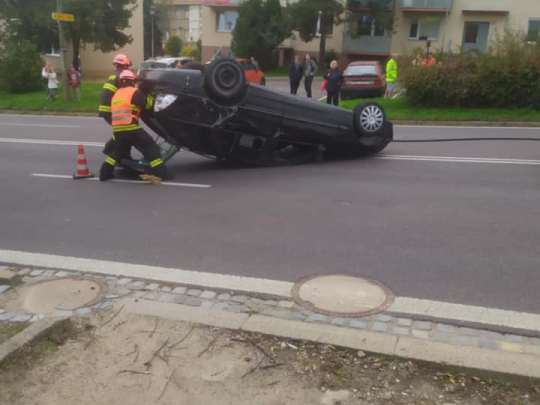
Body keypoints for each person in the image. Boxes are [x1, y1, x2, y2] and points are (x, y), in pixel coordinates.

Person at [99, 70, 166, 182]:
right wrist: (151, 94)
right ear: (132, 81)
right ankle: (161, 173)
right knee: (150, 147)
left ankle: (104, 174)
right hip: (131, 128)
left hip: (118, 129)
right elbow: (147, 105)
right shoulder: (133, 92)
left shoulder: (116, 94)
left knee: (119, 151)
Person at [99, 54, 133, 155]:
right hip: (112, 109)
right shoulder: (123, 76)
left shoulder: (114, 75)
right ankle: (117, 153)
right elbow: (129, 91)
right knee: (126, 131)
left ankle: (111, 150)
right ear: (126, 65)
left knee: (122, 131)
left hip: (105, 109)